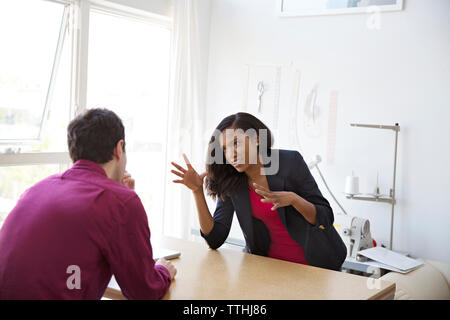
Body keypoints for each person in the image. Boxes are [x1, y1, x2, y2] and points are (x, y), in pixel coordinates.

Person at [0, 108, 176, 299]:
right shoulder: (121, 203)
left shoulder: (36, 189)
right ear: (119, 148)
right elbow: (144, 292)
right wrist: (163, 271)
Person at [171, 112, 346, 270]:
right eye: (225, 149)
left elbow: (325, 217)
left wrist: (294, 199)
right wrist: (197, 192)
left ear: (256, 139)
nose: (231, 154)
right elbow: (215, 239)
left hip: (315, 268)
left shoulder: (290, 162)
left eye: (236, 143)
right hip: (267, 271)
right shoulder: (232, 181)